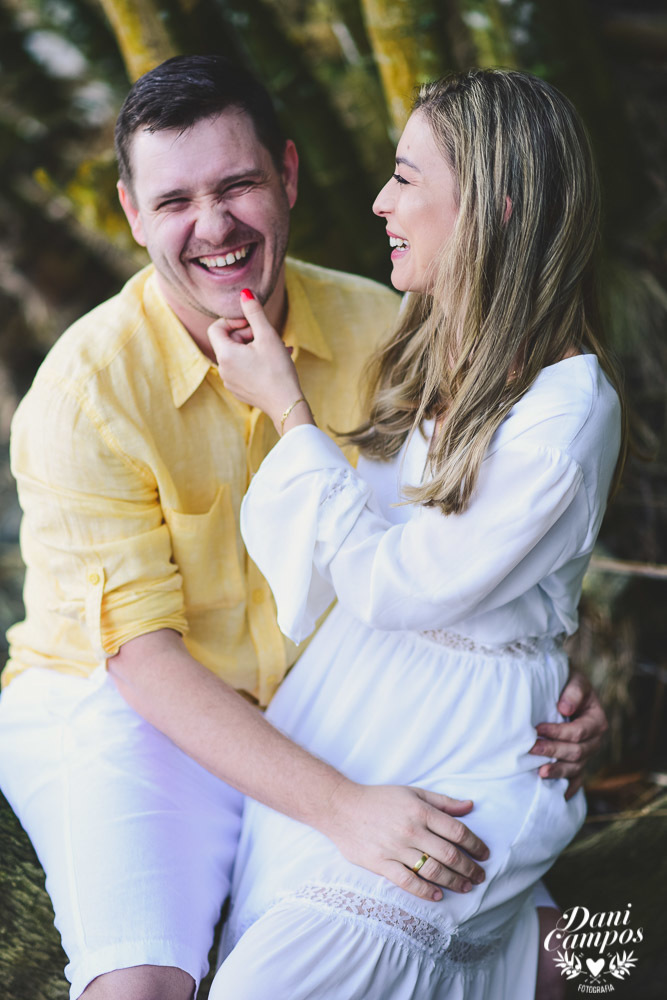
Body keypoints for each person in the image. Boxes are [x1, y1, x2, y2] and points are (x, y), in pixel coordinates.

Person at [0, 56, 606, 1000]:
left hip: (345, 697)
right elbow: (141, 661)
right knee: (144, 988)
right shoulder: (86, 396)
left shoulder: (390, 326)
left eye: (237, 184)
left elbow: (470, 535)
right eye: (175, 201)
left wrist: (548, 677)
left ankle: (592, 956)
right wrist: (344, 810)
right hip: (133, 708)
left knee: (559, 943)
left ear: (285, 174)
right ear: (129, 213)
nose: (214, 226)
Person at [207, 68, 625, 999]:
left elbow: (404, 583)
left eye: (406, 177)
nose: (378, 200)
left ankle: (600, 951)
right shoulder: (427, 336)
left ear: (492, 208)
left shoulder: (567, 411)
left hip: (468, 738)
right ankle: (572, 956)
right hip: (351, 710)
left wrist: (288, 414)